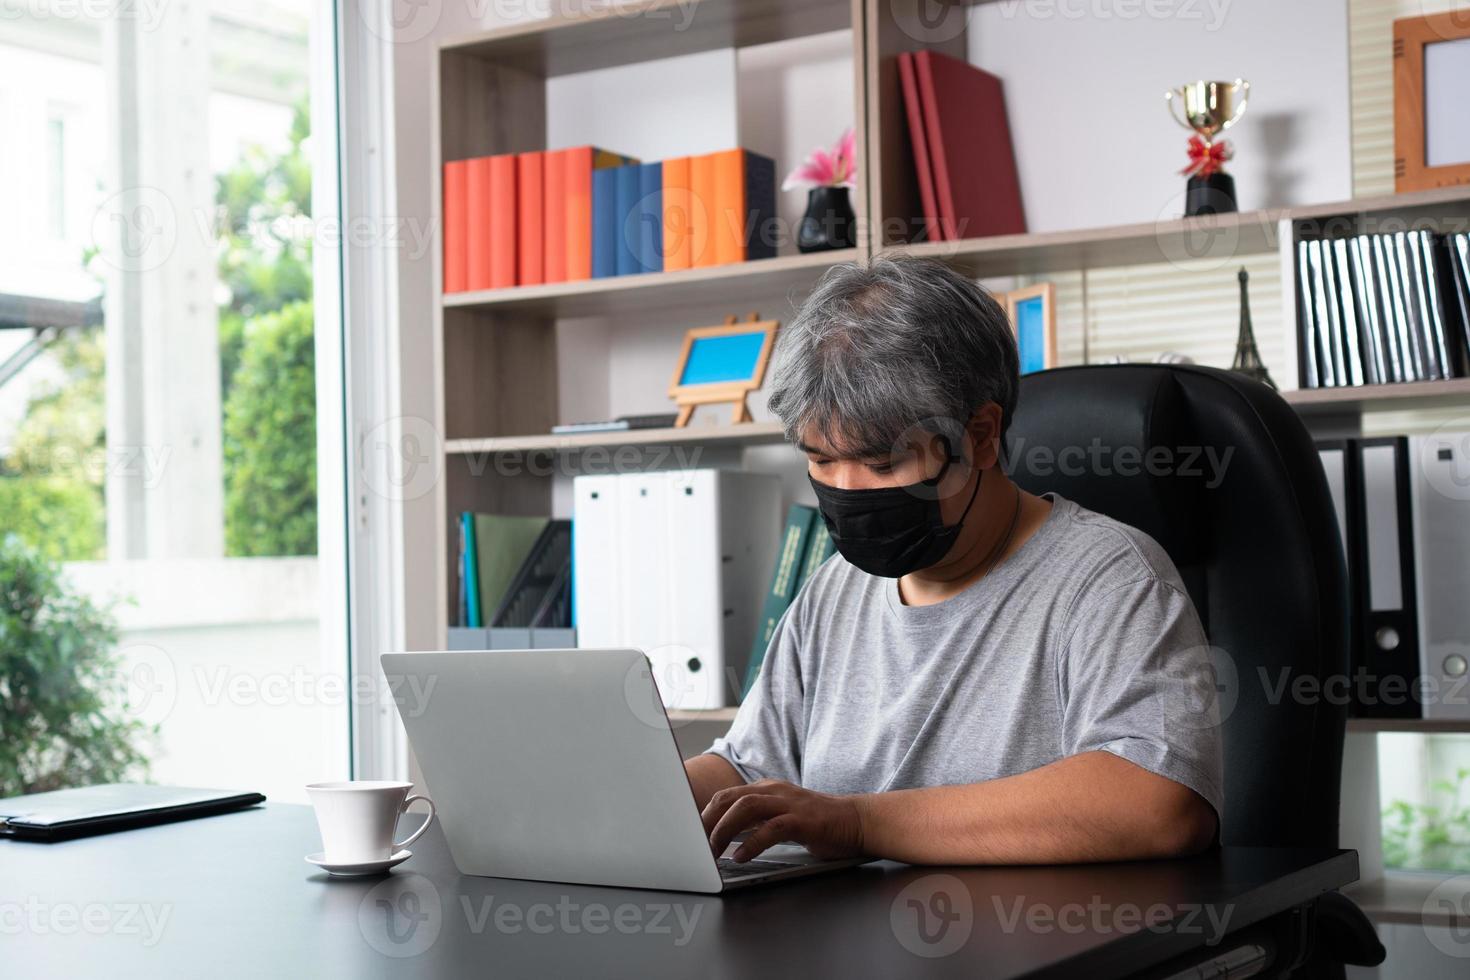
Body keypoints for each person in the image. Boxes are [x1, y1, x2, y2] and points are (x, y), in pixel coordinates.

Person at [683, 255, 1222, 866]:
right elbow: (747, 767)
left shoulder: (1112, 579)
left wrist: (858, 823)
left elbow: (1159, 804)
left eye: (884, 463)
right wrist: (634, 794)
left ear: (983, 436)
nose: (847, 489)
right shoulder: (831, 592)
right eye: (821, 460)